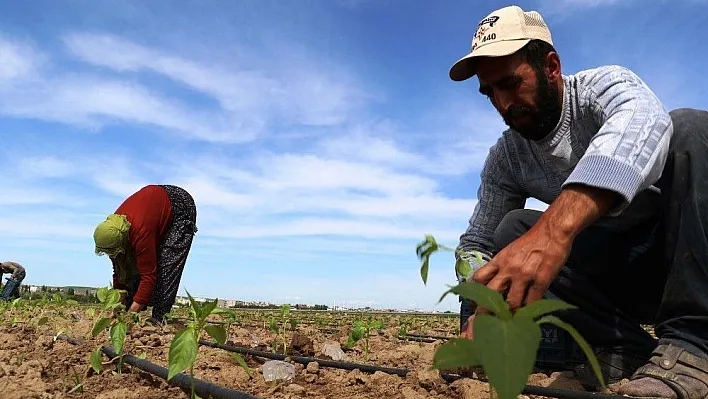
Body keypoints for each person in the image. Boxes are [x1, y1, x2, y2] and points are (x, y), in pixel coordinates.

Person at [449, 5, 708, 398]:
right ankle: (627, 349)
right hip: (618, 283)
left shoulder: (598, 91)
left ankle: (694, 343)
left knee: (690, 128)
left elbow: (645, 118)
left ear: (550, 66)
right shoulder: (507, 157)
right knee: (513, 228)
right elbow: (476, 243)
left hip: (680, 264)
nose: (502, 104)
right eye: (490, 93)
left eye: (511, 83)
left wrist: (556, 229)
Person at [93, 184, 198, 325]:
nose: (111, 256)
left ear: (123, 238)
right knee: (132, 272)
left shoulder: (140, 233)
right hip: (154, 204)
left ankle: (159, 319)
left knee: (166, 266)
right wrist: (116, 309)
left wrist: (128, 318)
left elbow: (149, 275)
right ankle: (131, 309)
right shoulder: (112, 231)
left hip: (178, 206)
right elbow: (119, 270)